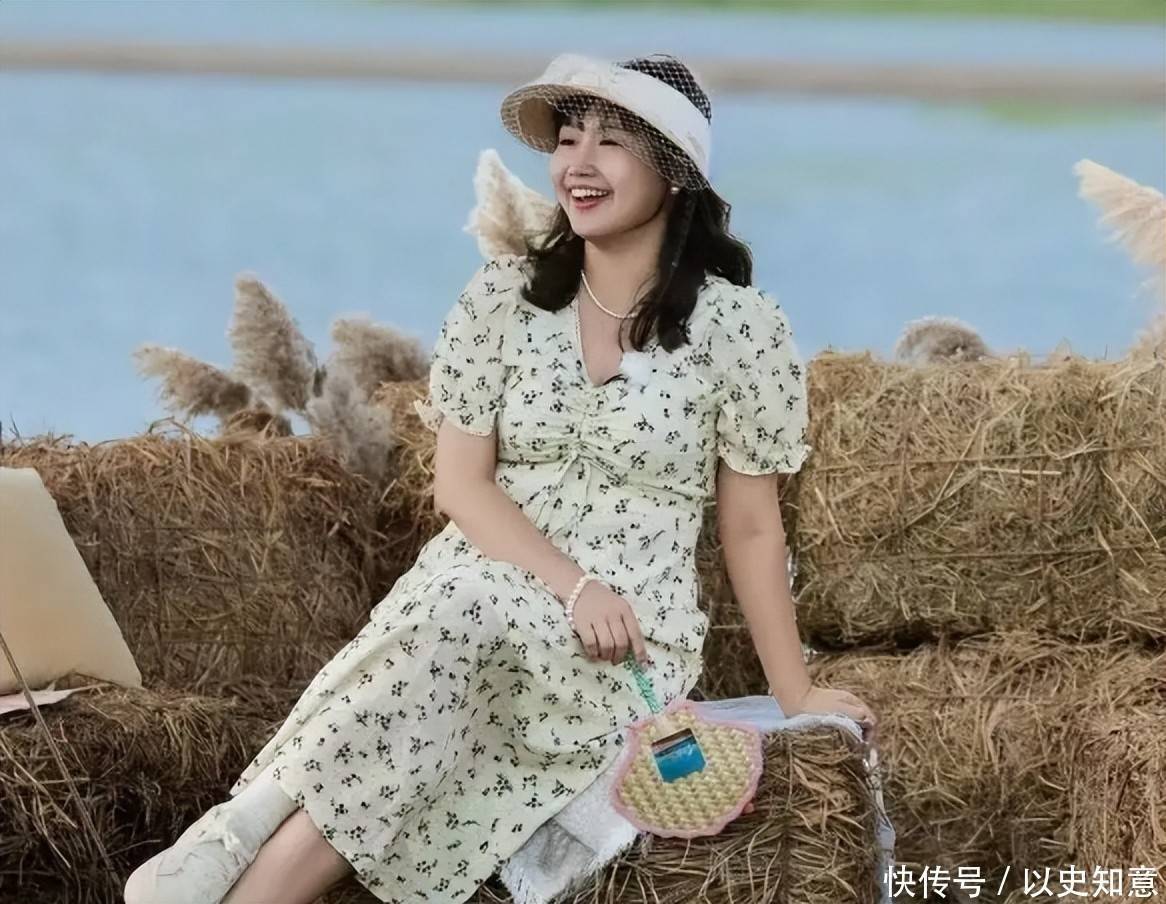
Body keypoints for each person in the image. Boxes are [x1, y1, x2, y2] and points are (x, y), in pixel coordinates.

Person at [124, 51, 877, 904]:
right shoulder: (502, 301)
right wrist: (570, 584)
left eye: (610, 142)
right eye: (567, 139)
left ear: (675, 171)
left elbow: (751, 526)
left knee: (440, 647)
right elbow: (461, 487)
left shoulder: (741, 328)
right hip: (479, 586)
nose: (577, 163)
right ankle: (238, 857)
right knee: (445, 641)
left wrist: (795, 689)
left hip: (624, 635)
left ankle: (233, 835)